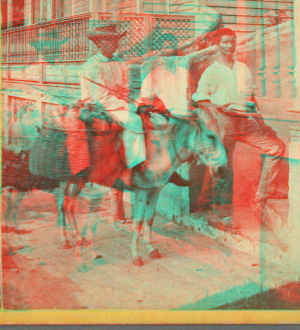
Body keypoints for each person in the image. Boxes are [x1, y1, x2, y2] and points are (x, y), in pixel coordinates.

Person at [191, 28, 286, 216]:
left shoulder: (242, 68)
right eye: (225, 42)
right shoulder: (211, 71)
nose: (230, 45)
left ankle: (261, 197)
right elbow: (200, 99)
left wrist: (263, 124)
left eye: (233, 41)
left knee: (277, 147)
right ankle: (204, 203)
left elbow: (251, 98)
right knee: (220, 162)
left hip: (245, 121)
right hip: (222, 121)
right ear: (217, 45)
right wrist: (217, 116)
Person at [81, 24, 188, 189]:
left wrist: (127, 102)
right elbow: (101, 96)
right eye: (108, 41)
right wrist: (128, 106)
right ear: (99, 43)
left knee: (153, 120)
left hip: (118, 104)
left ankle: (163, 165)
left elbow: (125, 88)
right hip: (98, 105)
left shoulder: (119, 62)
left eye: (114, 40)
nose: (113, 44)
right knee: (134, 121)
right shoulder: (93, 66)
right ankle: (136, 164)